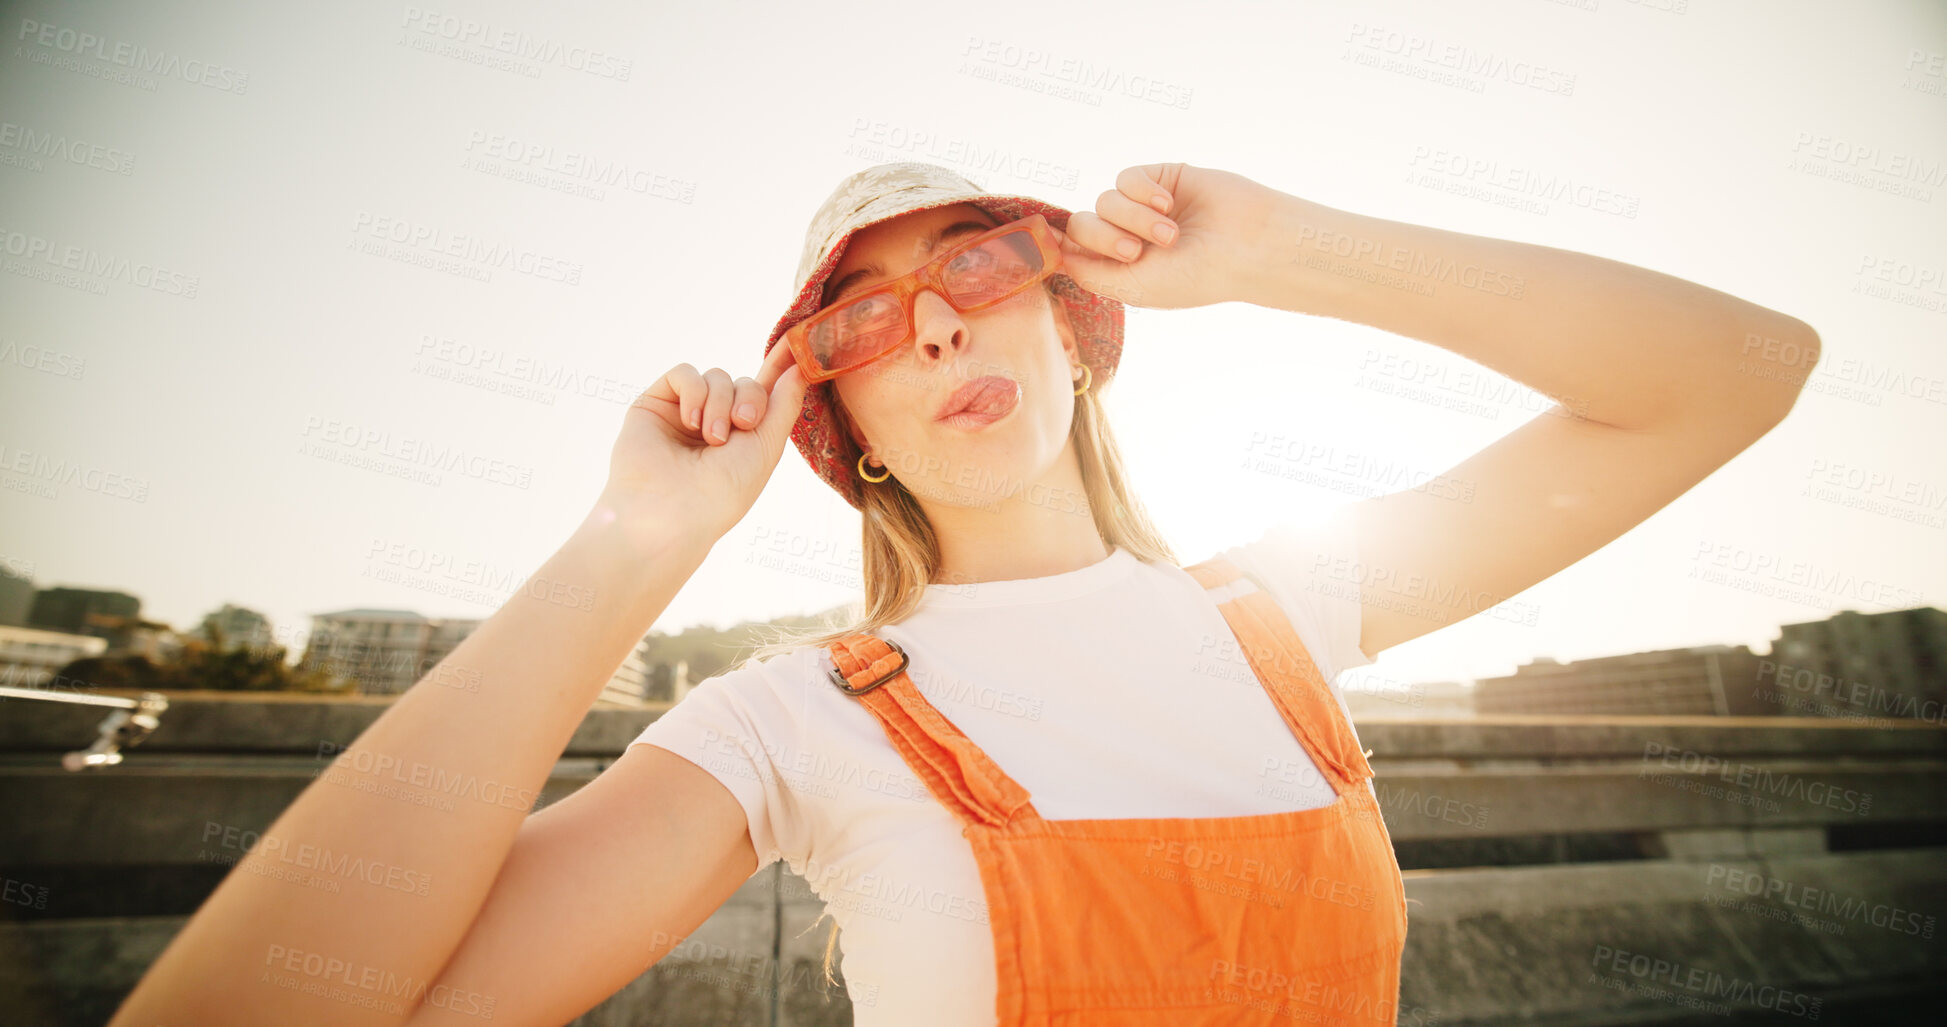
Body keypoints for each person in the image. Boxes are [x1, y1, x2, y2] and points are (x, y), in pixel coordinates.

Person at [107, 161, 1818, 1027]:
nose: (930, 325)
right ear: (834, 423)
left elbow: (1738, 369)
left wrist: (1287, 250)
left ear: (1075, 328)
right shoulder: (789, 723)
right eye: (855, 323)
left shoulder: (1287, 615)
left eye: (979, 268)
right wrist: (634, 545)